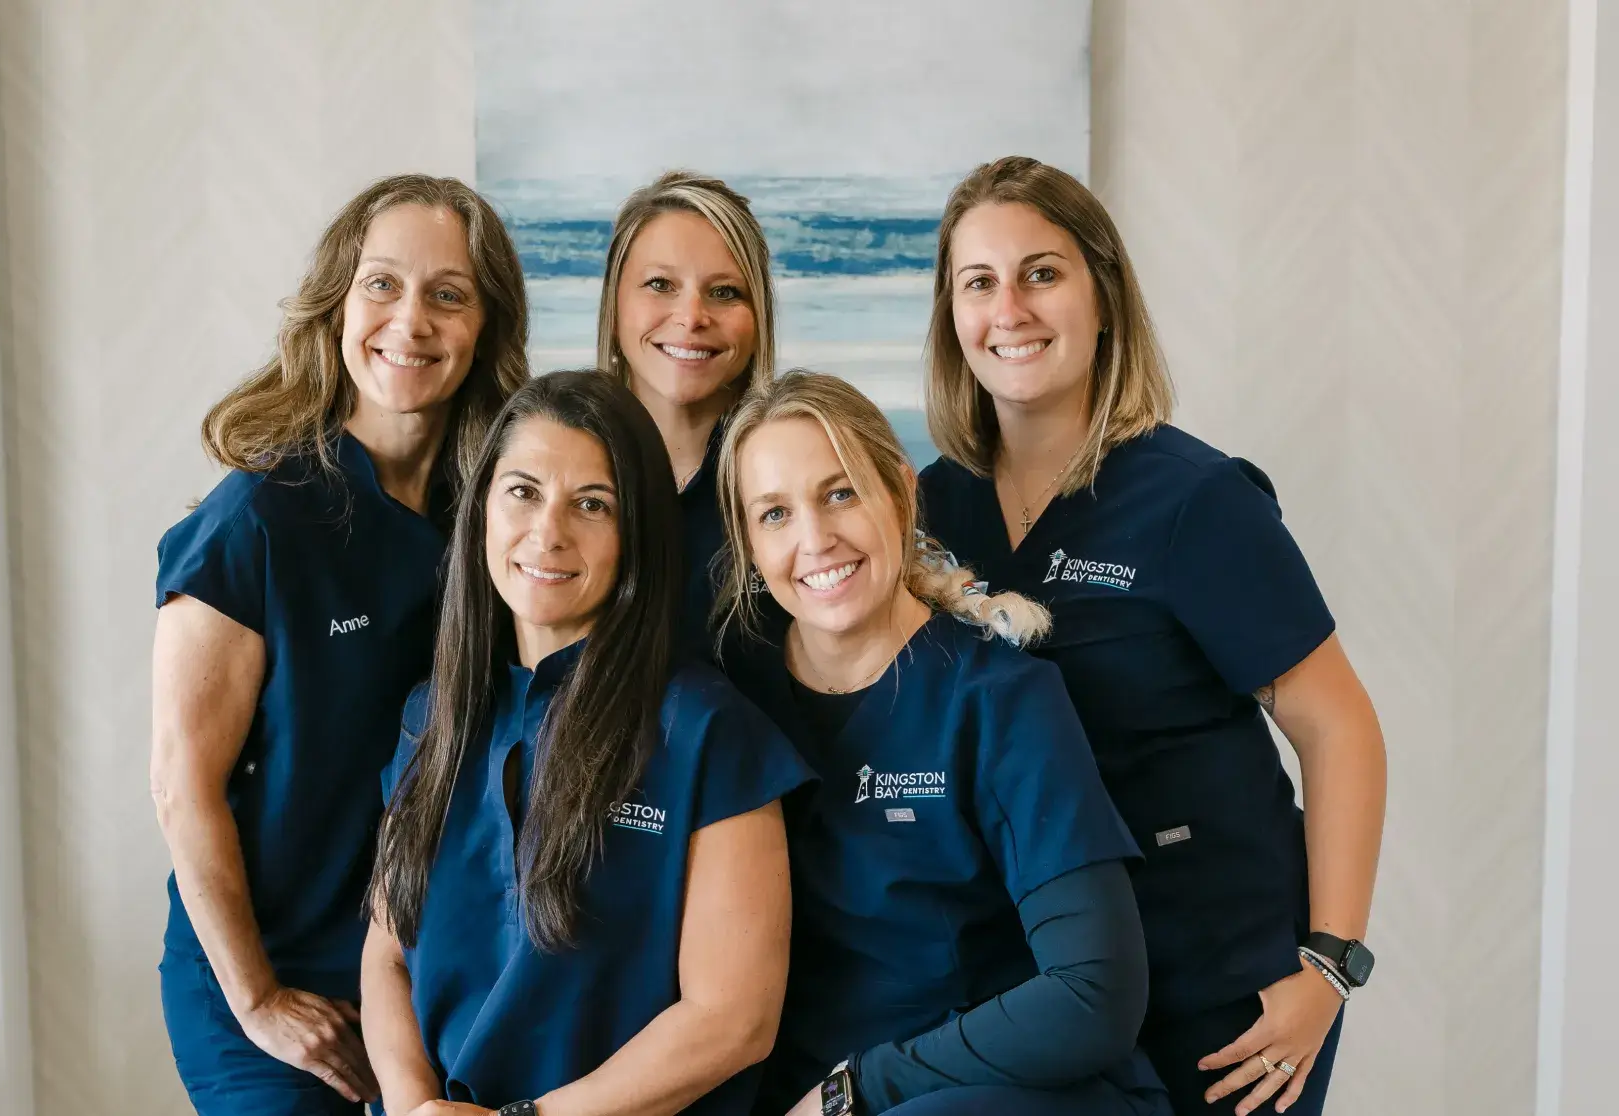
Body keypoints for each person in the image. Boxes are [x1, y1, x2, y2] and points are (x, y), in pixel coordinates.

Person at [915, 156, 1388, 1116]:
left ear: (1103, 294)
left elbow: (1340, 731)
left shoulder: (1196, 502)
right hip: (1039, 988)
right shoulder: (930, 509)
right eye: (979, 283)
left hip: (1221, 992)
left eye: (1042, 273)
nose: (1010, 308)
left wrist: (1329, 967)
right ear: (952, 317)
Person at [149, 174, 529, 1114]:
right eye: (382, 285)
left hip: (430, 978)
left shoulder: (498, 517)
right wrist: (259, 1001)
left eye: (449, 294)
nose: (412, 320)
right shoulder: (257, 523)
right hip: (274, 980)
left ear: (486, 328)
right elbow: (180, 783)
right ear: (337, 304)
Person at [714, 372, 1171, 1116]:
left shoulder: (1000, 698)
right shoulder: (729, 695)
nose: (814, 539)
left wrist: (857, 1088)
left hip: (999, 1094)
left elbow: (1096, 994)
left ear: (900, 492)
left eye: (840, 494)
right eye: (774, 513)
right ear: (747, 542)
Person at [360, 371, 814, 1116]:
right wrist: (416, 1108)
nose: (549, 532)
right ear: (481, 510)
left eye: (592, 505)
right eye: (523, 491)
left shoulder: (705, 730)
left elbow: (734, 1021)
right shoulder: (430, 718)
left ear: (635, 534)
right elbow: (385, 958)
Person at [596, 170, 777, 643]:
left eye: (724, 292)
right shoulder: (553, 466)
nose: (692, 317)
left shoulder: (799, 470)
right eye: (659, 284)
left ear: (758, 321)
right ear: (614, 310)